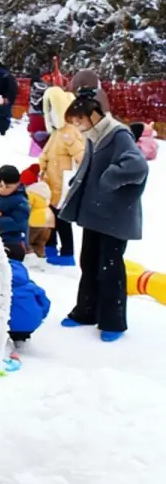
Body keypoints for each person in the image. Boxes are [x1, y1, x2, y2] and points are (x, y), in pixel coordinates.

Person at [58, 94, 149, 343]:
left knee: (110, 269)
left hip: (115, 216)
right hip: (95, 213)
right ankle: (86, 311)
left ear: (92, 115)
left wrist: (109, 179)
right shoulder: (93, 135)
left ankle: (113, 322)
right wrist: (79, 182)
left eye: (79, 121)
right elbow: (89, 166)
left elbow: (138, 166)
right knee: (88, 262)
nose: (77, 126)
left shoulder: (118, 134)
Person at [39, 117, 85, 266]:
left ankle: (67, 253)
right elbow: (46, 152)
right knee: (50, 216)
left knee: (62, 218)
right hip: (51, 181)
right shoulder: (57, 132)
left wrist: (75, 178)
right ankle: (50, 246)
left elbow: (81, 157)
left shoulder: (70, 132)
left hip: (63, 183)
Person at [7, 247, 50, 351]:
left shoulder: (0, 287)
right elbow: (45, 303)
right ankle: (22, 341)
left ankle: (6, 345)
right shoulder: (31, 287)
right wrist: (40, 316)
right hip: (30, 324)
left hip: (6, 325)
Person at [21, 165, 55, 259]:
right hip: (48, 221)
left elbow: (27, 207)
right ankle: (41, 254)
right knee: (41, 241)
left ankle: (31, 257)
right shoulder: (44, 190)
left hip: (35, 222)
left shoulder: (30, 193)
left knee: (30, 240)